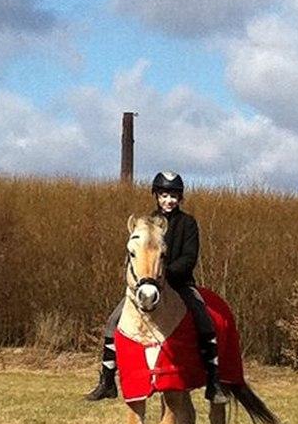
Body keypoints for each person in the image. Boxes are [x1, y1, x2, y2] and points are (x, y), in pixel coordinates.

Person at [85, 171, 230, 404]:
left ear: (180, 198)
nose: (168, 200)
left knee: (204, 319)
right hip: (146, 286)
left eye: (173, 195)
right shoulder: (146, 223)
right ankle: (107, 380)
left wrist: (164, 274)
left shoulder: (188, 223)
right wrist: (147, 279)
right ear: (156, 196)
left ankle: (213, 382)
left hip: (179, 284)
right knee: (113, 321)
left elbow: (189, 258)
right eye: (164, 195)